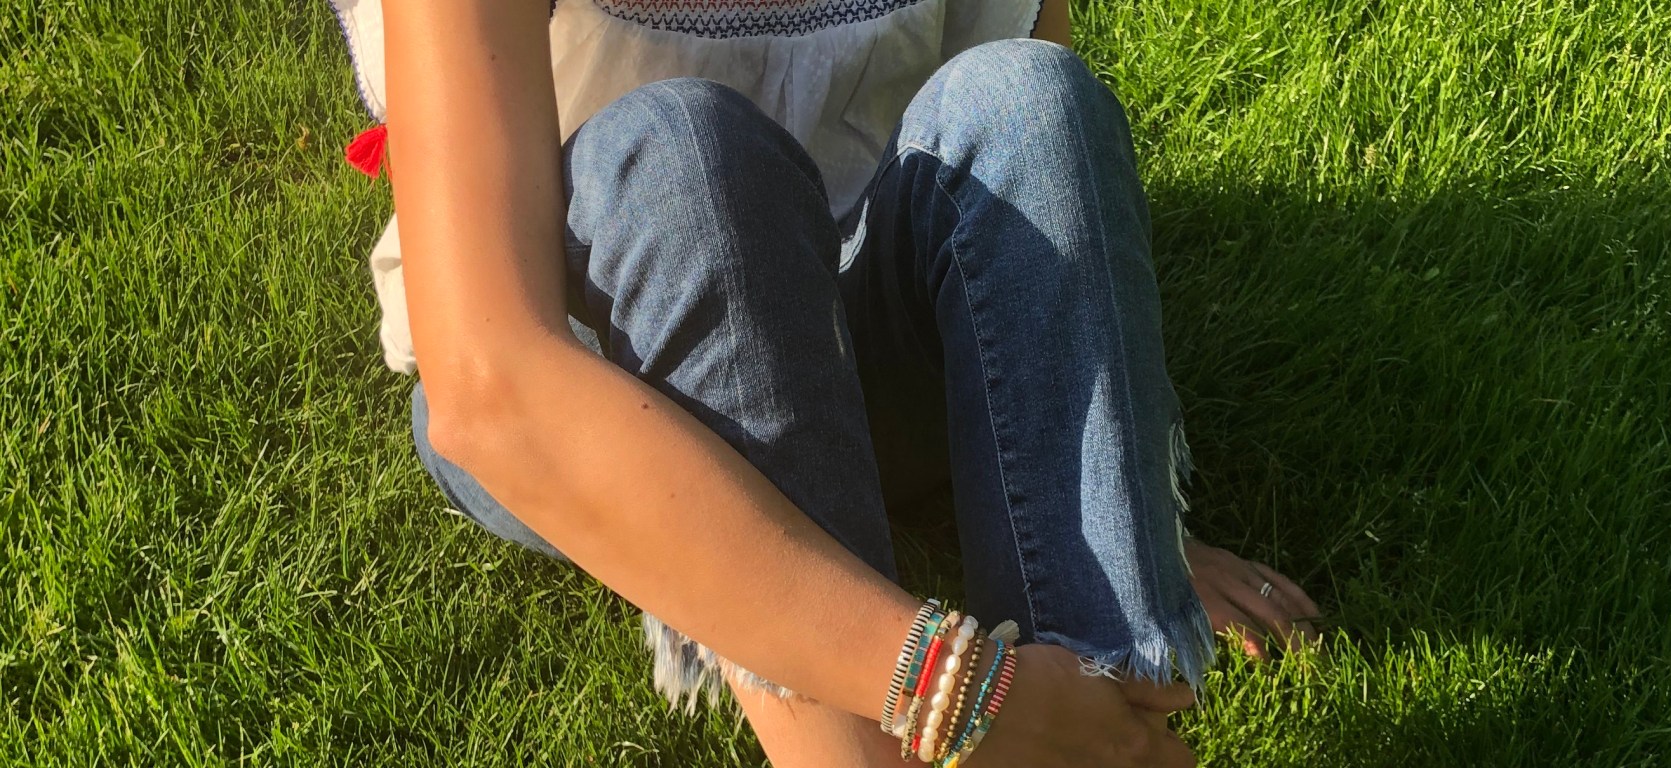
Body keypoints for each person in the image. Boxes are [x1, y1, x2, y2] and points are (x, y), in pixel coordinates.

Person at [328, 0, 1320, 764]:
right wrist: (955, 688)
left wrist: (1117, 479)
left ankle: (1107, 715)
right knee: (686, 157)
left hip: (873, 315)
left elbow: (1035, 162)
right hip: (605, 390)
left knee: (1030, 95)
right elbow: (494, 380)